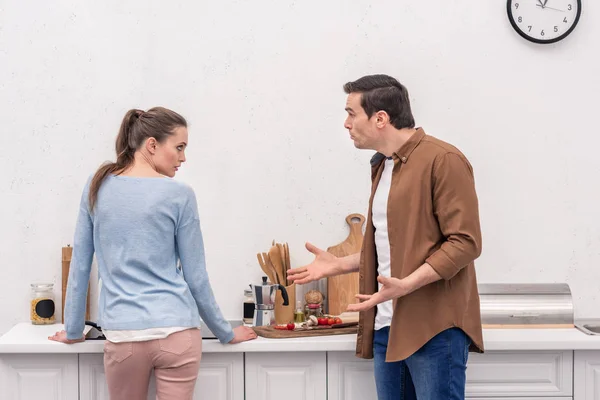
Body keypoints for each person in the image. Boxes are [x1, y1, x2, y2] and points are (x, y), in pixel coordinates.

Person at [287, 75, 483, 399]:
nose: (346, 124)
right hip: (387, 328)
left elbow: (465, 242)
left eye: (351, 113)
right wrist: (338, 265)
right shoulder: (385, 166)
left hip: (434, 330)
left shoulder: (443, 160)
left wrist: (406, 285)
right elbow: (392, 248)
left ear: (380, 118)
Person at [49, 107, 257, 400]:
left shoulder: (97, 187)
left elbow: (80, 265)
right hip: (178, 335)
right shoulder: (180, 195)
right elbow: (196, 276)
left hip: (124, 337)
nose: (183, 157)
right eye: (180, 147)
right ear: (152, 144)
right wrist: (225, 332)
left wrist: (72, 330)